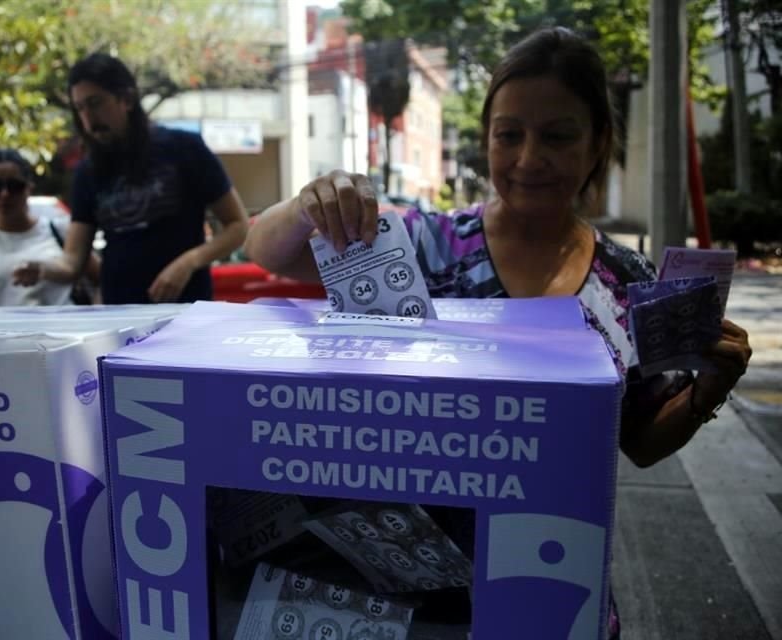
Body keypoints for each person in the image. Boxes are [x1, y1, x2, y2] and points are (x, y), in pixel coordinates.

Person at [245, 27, 752, 639]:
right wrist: (309, 203)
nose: (528, 159)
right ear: (485, 138)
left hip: (558, 590)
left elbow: (640, 440)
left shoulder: (626, 280)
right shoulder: (424, 246)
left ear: (598, 143)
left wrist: (706, 390)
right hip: (415, 599)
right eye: (509, 135)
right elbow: (268, 251)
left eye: (558, 136)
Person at [31, 52, 249, 304]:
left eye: (95, 103)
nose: (88, 118)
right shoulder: (87, 172)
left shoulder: (185, 149)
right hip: (118, 313)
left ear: (127, 99)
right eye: (80, 108)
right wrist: (43, 269)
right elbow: (73, 261)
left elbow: (237, 226)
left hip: (185, 310)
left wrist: (189, 262)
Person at [0, 149, 99, 310]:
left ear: (29, 187)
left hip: (60, 325)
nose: (4, 194)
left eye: (14, 186)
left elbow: (102, 279)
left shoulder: (60, 231)